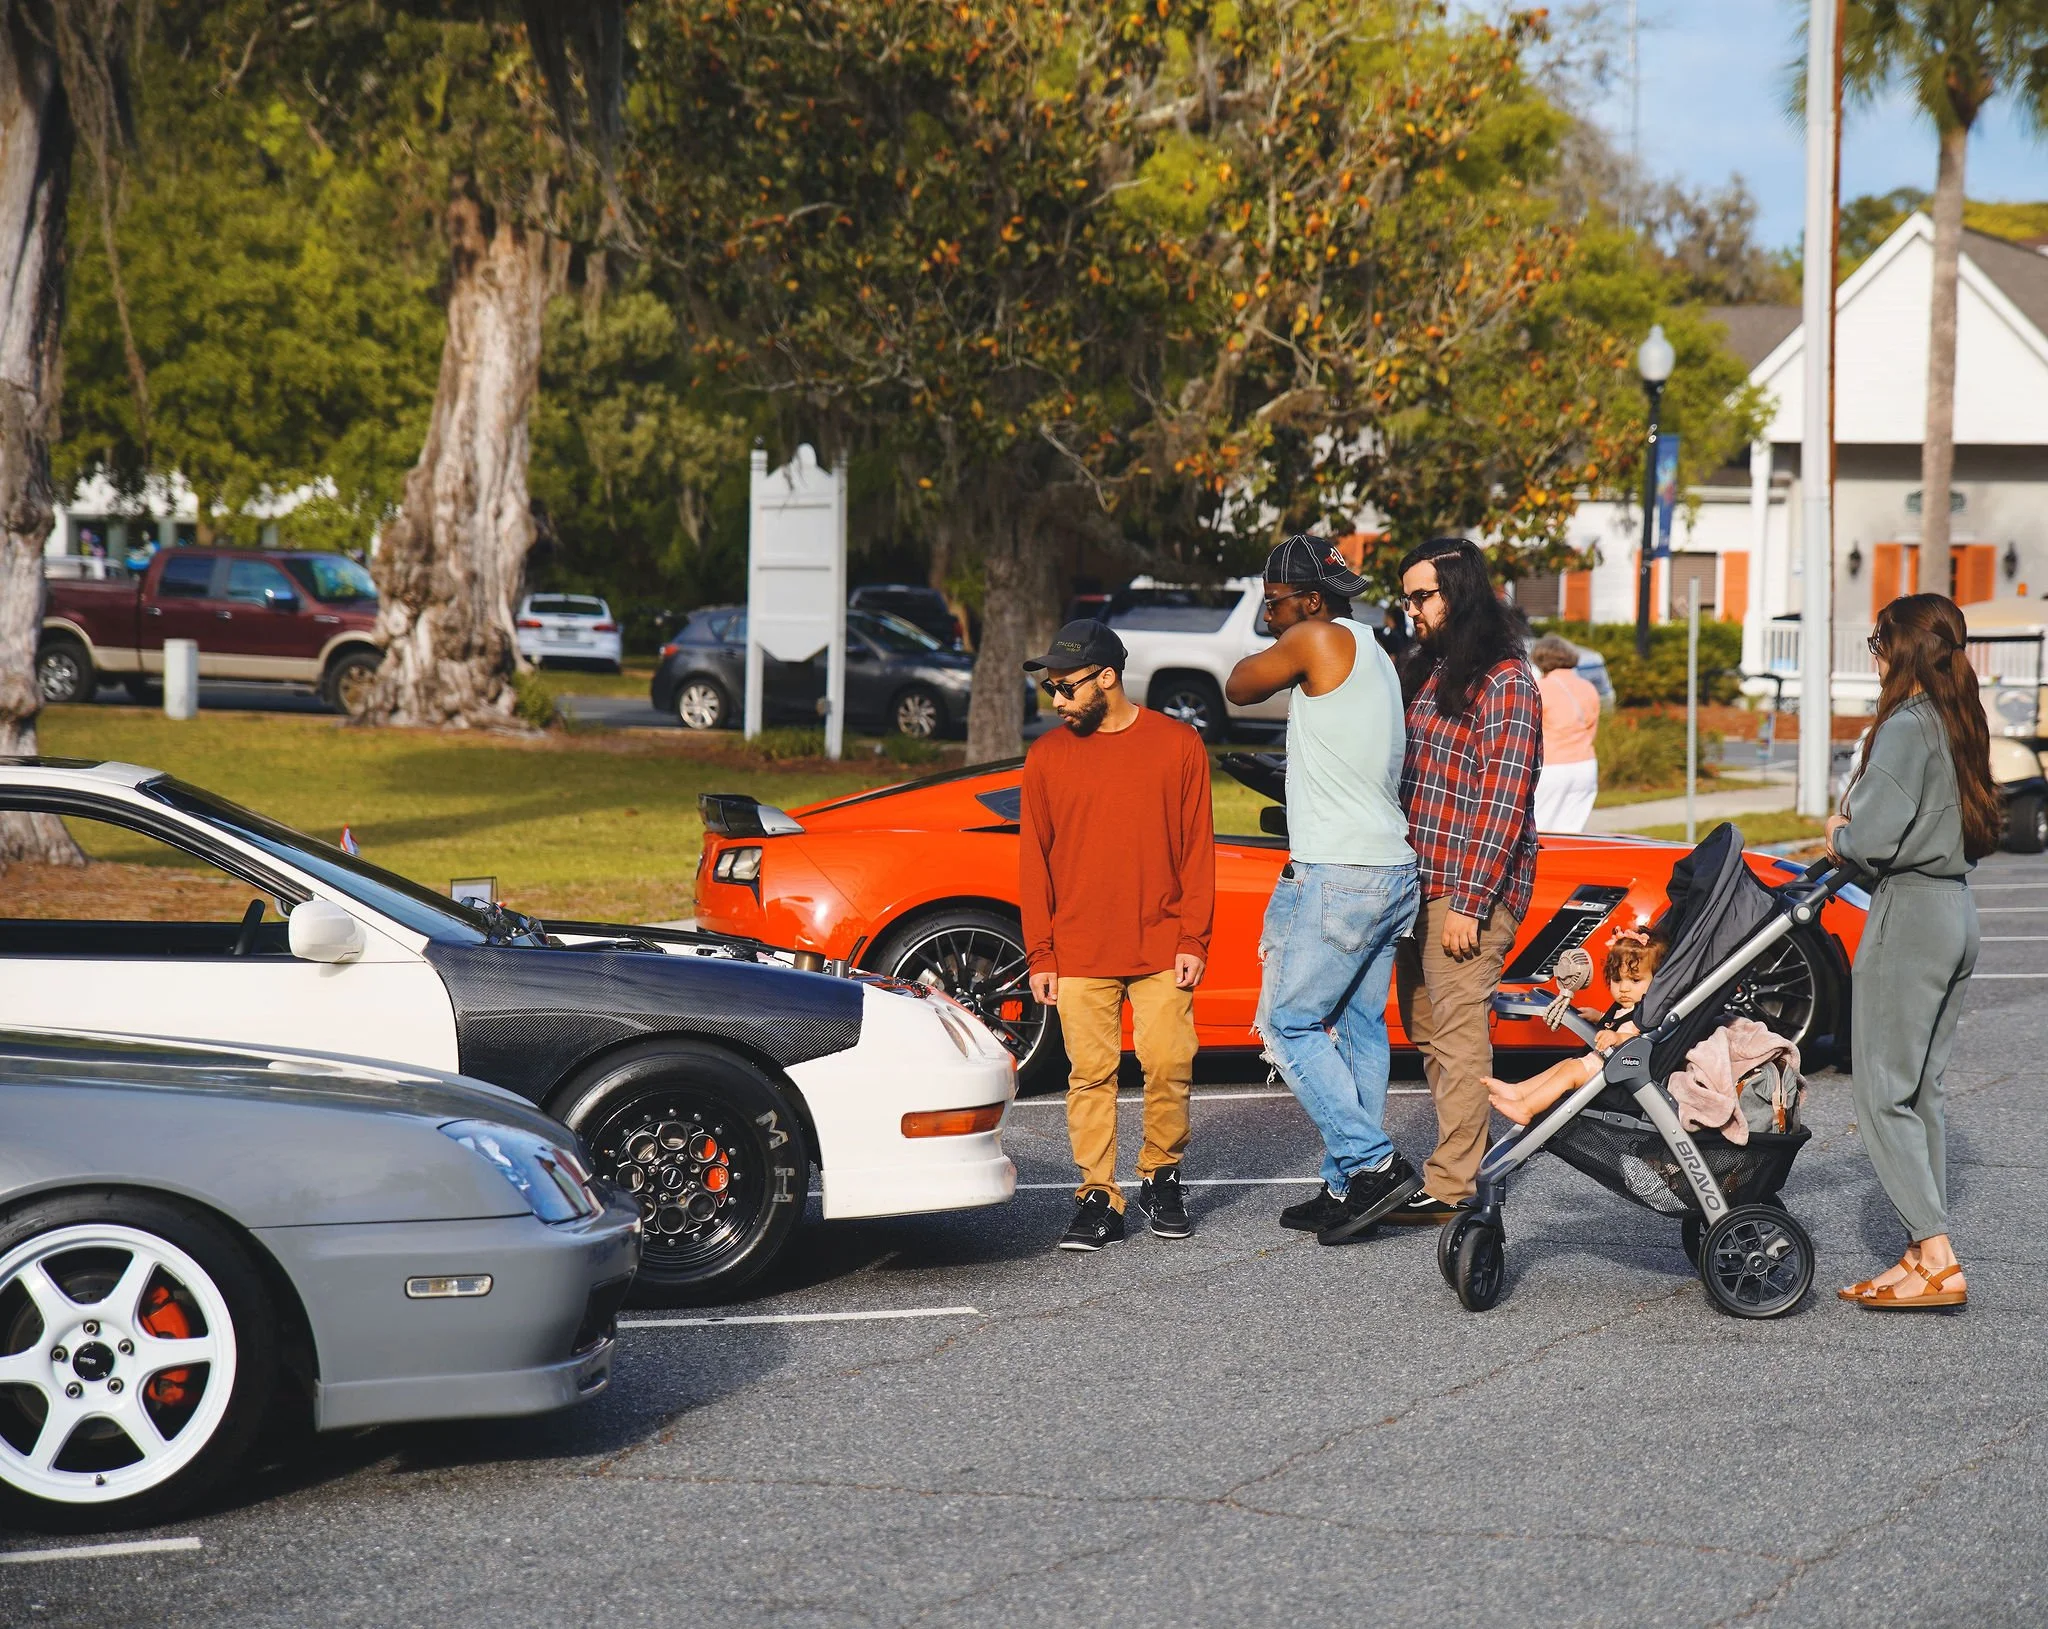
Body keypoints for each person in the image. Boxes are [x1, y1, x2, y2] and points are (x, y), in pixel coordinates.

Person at [1224, 536, 1421, 1243]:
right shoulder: (1373, 650)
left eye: (1273, 603)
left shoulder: (1313, 636)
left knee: (1290, 1023)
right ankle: (1349, 1186)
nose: (1269, 617)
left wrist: (1278, 633)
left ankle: (1373, 1165)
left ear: (1310, 600)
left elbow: (1239, 685)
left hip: (1341, 874)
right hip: (1391, 869)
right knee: (1361, 1029)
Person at [1020, 619, 1215, 1252]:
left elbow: (1197, 850)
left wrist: (1193, 938)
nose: (1057, 701)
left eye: (1067, 688)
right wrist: (1041, 950)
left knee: (1167, 1063)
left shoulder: (1178, 744)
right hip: (1078, 949)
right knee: (1090, 1075)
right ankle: (1097, 1197)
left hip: (1161, 943)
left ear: (1108, 677)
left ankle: (1161, 1174)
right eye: (1050, 689)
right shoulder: (1046, 756)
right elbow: (1034, 862)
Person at [1828, 593, 1999, 1312]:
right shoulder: (1959, 719)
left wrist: (1838, 830)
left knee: (1881, 1092)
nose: (1872, 655)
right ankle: (1915, 1255)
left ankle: (1936, 1254)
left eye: (1877, 643)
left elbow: (1867, 839)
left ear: (1897, 652)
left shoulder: (1904, 725)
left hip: (1911, 912)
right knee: (1920, 1091)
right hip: (1957, 908)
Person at [1386, 537, 1542, 1225]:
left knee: (1456, 1031)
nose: (1410, 608)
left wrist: (1470, 903)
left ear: (1460, 592)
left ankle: (1454, 1183)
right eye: (1406, 595)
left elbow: (1503, 800)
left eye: (1422, 594)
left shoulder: (1505, 680)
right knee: (1426, 1028)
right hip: (1421, 882)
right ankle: (1455, 1161)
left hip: (1466, 887)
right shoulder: (1437, 668)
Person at [1485, 929, 1663, 1124]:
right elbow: (1619, 1022)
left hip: (1613, 1073)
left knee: (1570, 1070)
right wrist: (1599, 1017)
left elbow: (1643, 1038)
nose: (1624, 988)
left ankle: (1526, 1109)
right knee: (1566, 1064)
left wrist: (1618, 1038)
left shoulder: (1647, 1013)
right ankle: (1518, 1091)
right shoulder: (1624, 1007)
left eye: (1635, 980)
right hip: (1598, 1062)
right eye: (1617, 979)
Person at [1530, 634, 1601, 832]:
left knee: (1541, 829)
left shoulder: (1539, 688)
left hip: (1552, 768)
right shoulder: (1588, 688)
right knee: (1573, 831)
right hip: (1585, 766)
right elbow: (1591, 730)